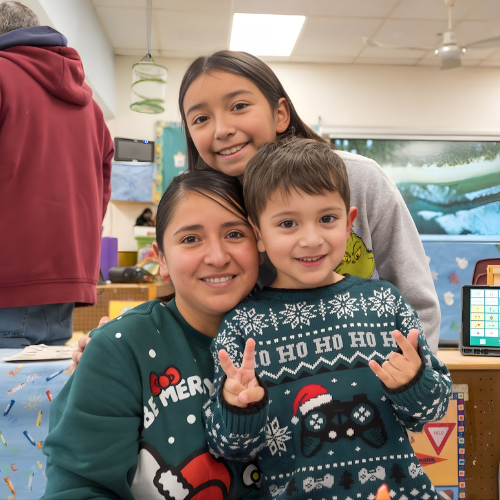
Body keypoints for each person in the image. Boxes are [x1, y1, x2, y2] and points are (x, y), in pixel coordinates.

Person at [204, 136, 452, 500]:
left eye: (327, 218)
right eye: (288, 223)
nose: (311, 239)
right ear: (258, 235)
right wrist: (241, 407)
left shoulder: (385, 302)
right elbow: (229, 448)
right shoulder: (243, 328)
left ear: (349, 222)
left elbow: (433, 409)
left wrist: (413, 382)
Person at [178, 50, 441, 354]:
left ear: (280, 114)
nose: (221, 129)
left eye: (239, 106)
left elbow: (418, 302)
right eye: (200, 118)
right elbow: (191, 306)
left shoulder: (357, 177)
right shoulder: (202, 206)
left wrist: (416, 383)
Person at [42, 169, 264, 499]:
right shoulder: (120, 349)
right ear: (160, 258)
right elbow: (78, 487)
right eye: (191, 239)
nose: (217, 256)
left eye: (234, 234)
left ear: (260, 243)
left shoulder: (290, 336)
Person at [0, 1, 113, 346]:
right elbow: (101, 195)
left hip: (8, 282)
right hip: (64, 287)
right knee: (38, 396)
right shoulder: (92, 110)